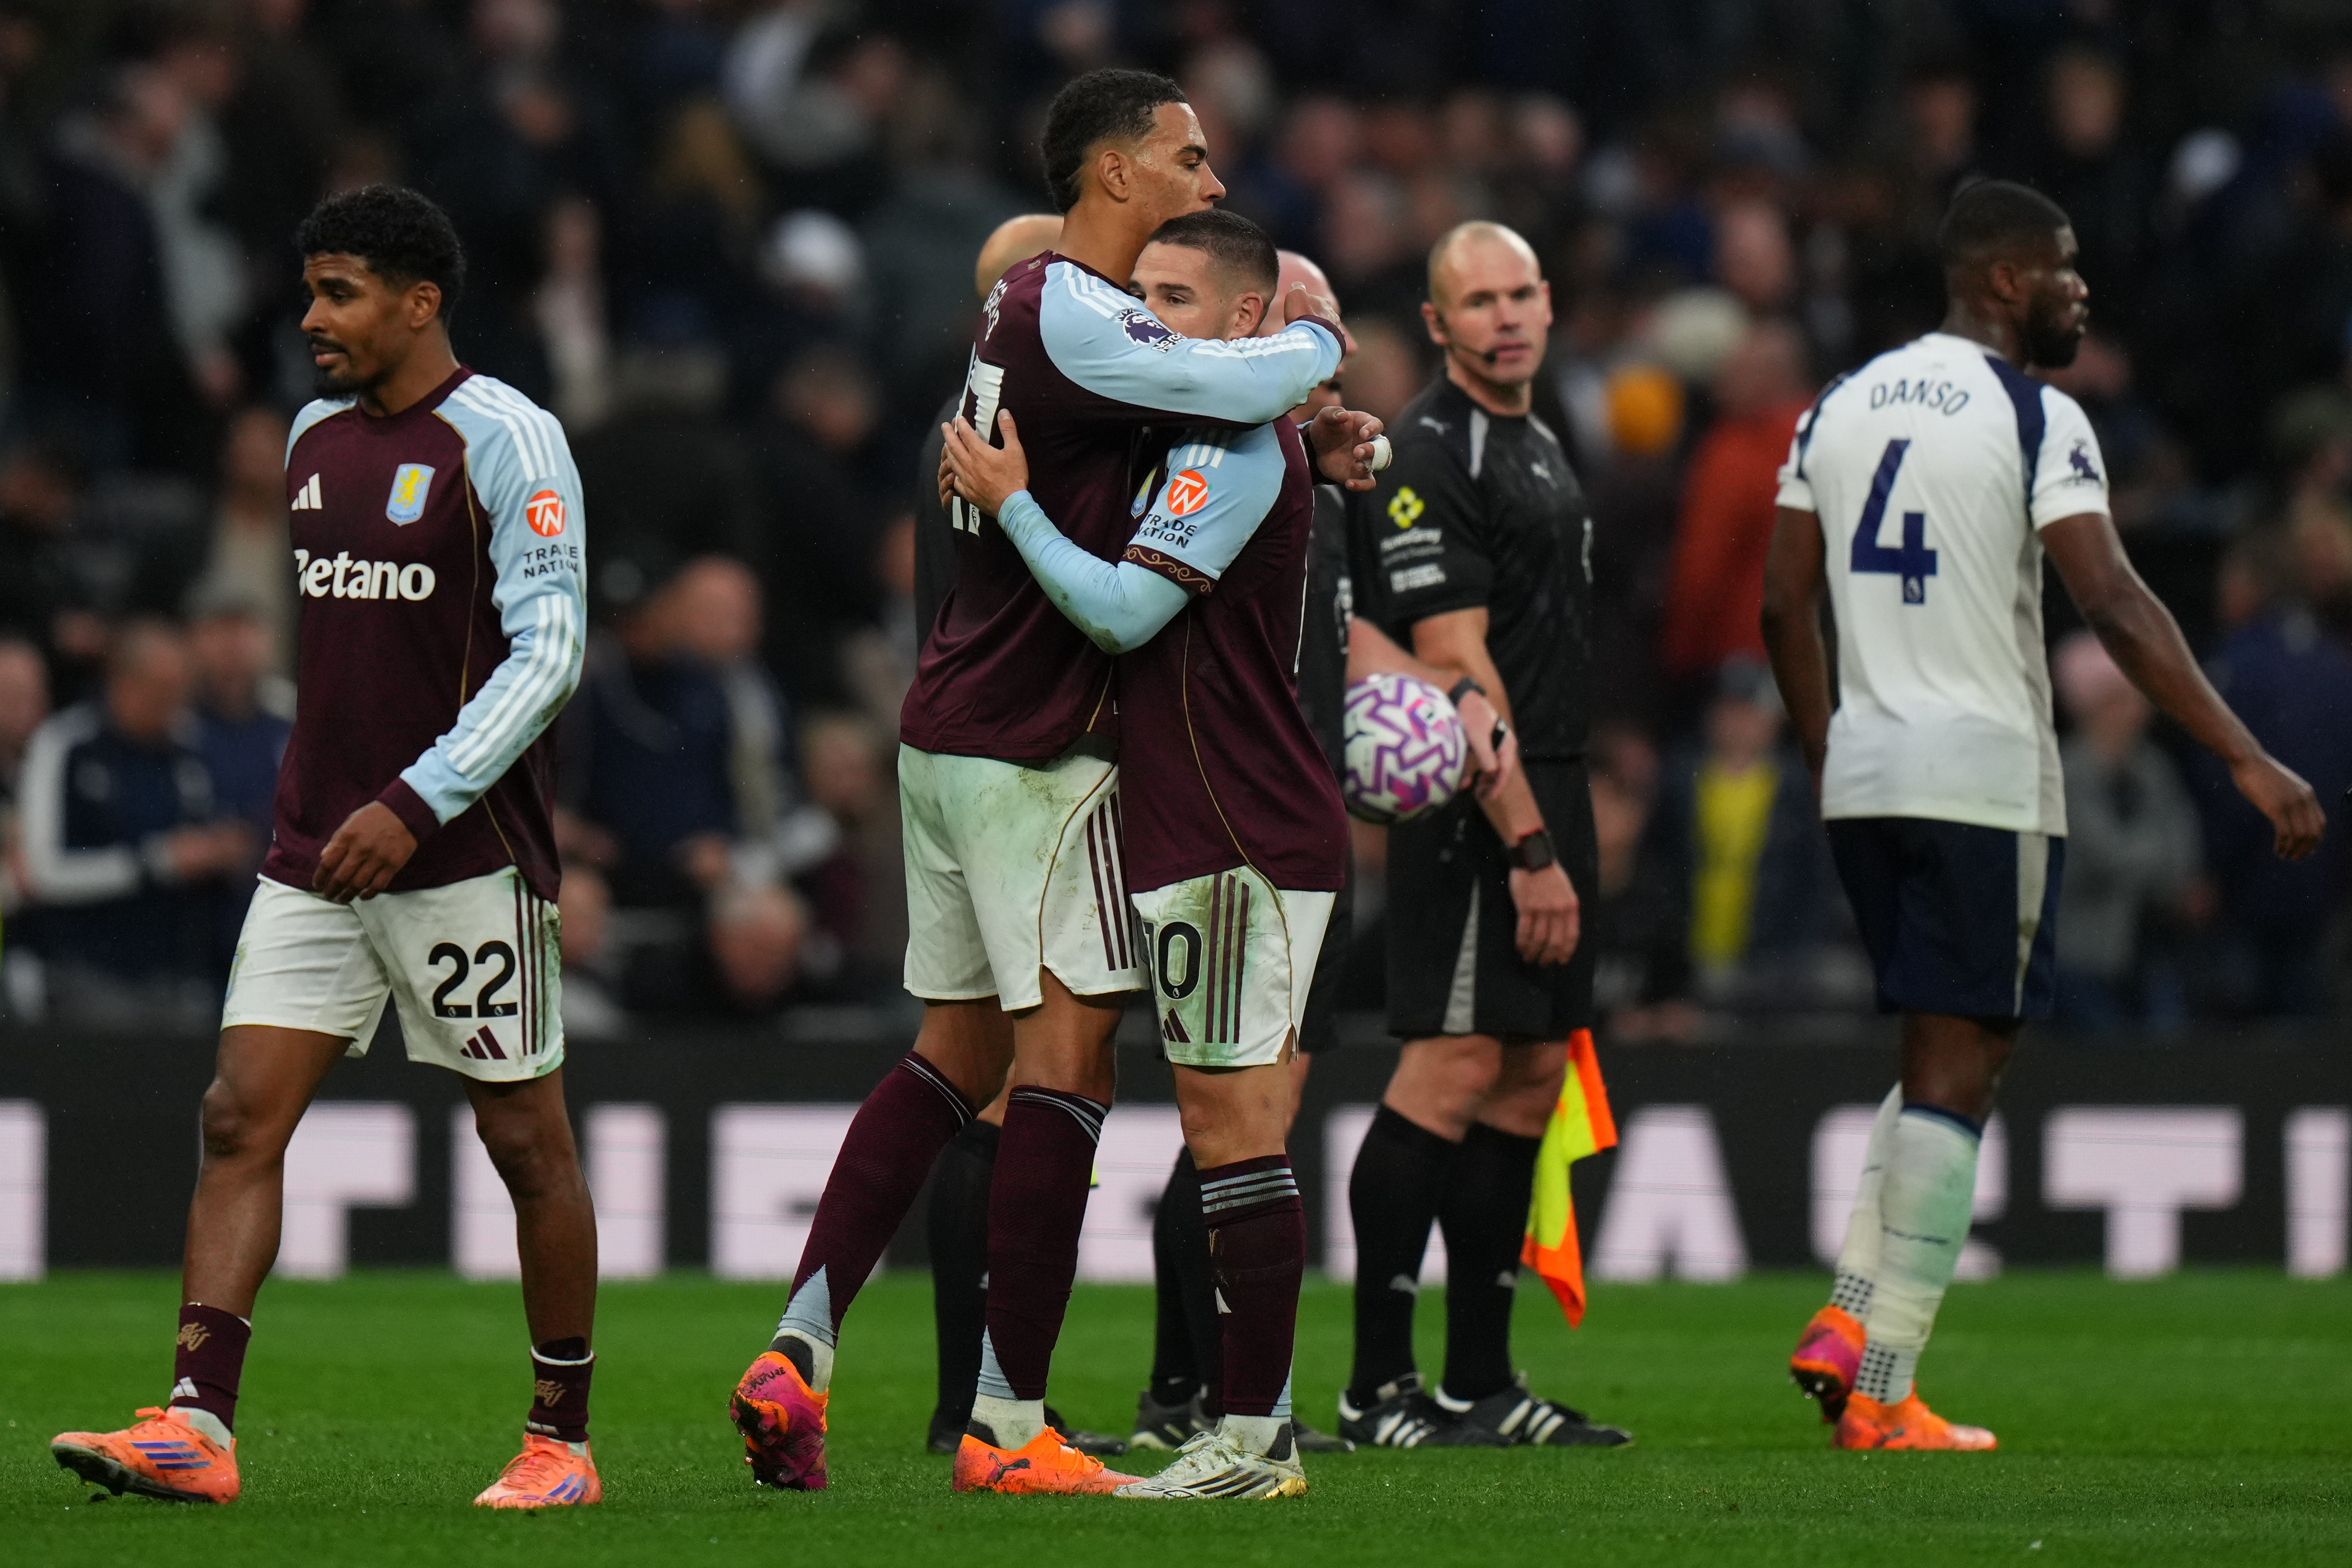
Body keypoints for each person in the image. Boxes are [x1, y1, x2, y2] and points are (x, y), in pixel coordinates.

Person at [727, 69, 1364, 1498]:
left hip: (940, 732)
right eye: (1189, 161)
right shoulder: (1076, 315)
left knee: (951, 1054)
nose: (1208, 182)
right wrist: (1315, 344)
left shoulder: (1015, 349)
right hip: (1033, 750)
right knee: (1062, 1069)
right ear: (1119, 169)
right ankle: (1013, 1425)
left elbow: (1212, 422)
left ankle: (801, 1338)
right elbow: (1231, 386)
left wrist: (1309, 439)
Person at [48, 186, 601, 1508]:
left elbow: (554, 650)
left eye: (340, 291)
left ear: (422, 301)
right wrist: (341, 800)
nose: (312, 320)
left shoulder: (510, 438)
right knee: (239, 1115)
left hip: (457, 855)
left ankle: (560, 1441)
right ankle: (197, 1423)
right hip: (315, 849)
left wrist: (417, 797)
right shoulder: (308, 438)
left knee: (527, 1145)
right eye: (309, 291)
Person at [1761, 179, 2322, 1451]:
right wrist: (2242, 755)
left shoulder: (1833, 405)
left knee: (1935, 1046)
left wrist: (1827, 748)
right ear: (2007, 281)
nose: (2084, 289)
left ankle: (1849, 1314)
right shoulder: (2035, 413)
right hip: (1981, 776)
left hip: (1866, 770)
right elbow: (2115, 599)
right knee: (1967, 1065)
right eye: (2066, 268)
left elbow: (1780, 609)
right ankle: (1886, 1389)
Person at [943, 211, 1417, 1498]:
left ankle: (1255, 1438)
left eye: (1171, 296)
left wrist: (1016, 505)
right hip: (1200, 816)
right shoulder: (1211, 436)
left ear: (1248, 322)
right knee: (1220, 1124)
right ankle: (1224, 1421)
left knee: (1232, 1128)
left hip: (1238, 824)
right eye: (1135, 293)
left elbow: (1115, 610)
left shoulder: (1232, 454)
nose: (1142, 318)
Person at [1126, 248, 1510, 1458]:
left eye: (1341, 321)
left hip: (1294, 827)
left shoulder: (1299, 473)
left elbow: (1329, 641)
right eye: (1314, 322)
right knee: (1240, 1115)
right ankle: (1207, 1398)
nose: (1335, 343)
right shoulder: (1226, 461)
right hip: (1244, 824)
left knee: (1244, 1115)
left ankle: (1196, 1393)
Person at [1337, 221, 1630, 1451]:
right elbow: (1454, 661)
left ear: (1549, 304)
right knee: (1452, 1065)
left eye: (1521, 294)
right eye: (1479, 301)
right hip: (1475, 798)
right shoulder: (1424, 452)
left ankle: (1478, 1381)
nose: (1505, 317)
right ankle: (1375, 1386)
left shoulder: (1541, 437)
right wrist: (1526, 842)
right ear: (1440, 320)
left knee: (1530, 1068)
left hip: (1552, 780)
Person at [17, 618, 249, 1026]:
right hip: (89, 971)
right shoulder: (66, 744)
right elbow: (42, 873)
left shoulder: (190, 748)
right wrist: (154, 863)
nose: (174, 703)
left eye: (182, 691)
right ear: (122, 682)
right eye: (162, 690)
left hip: (181, 977)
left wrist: (219, 852)